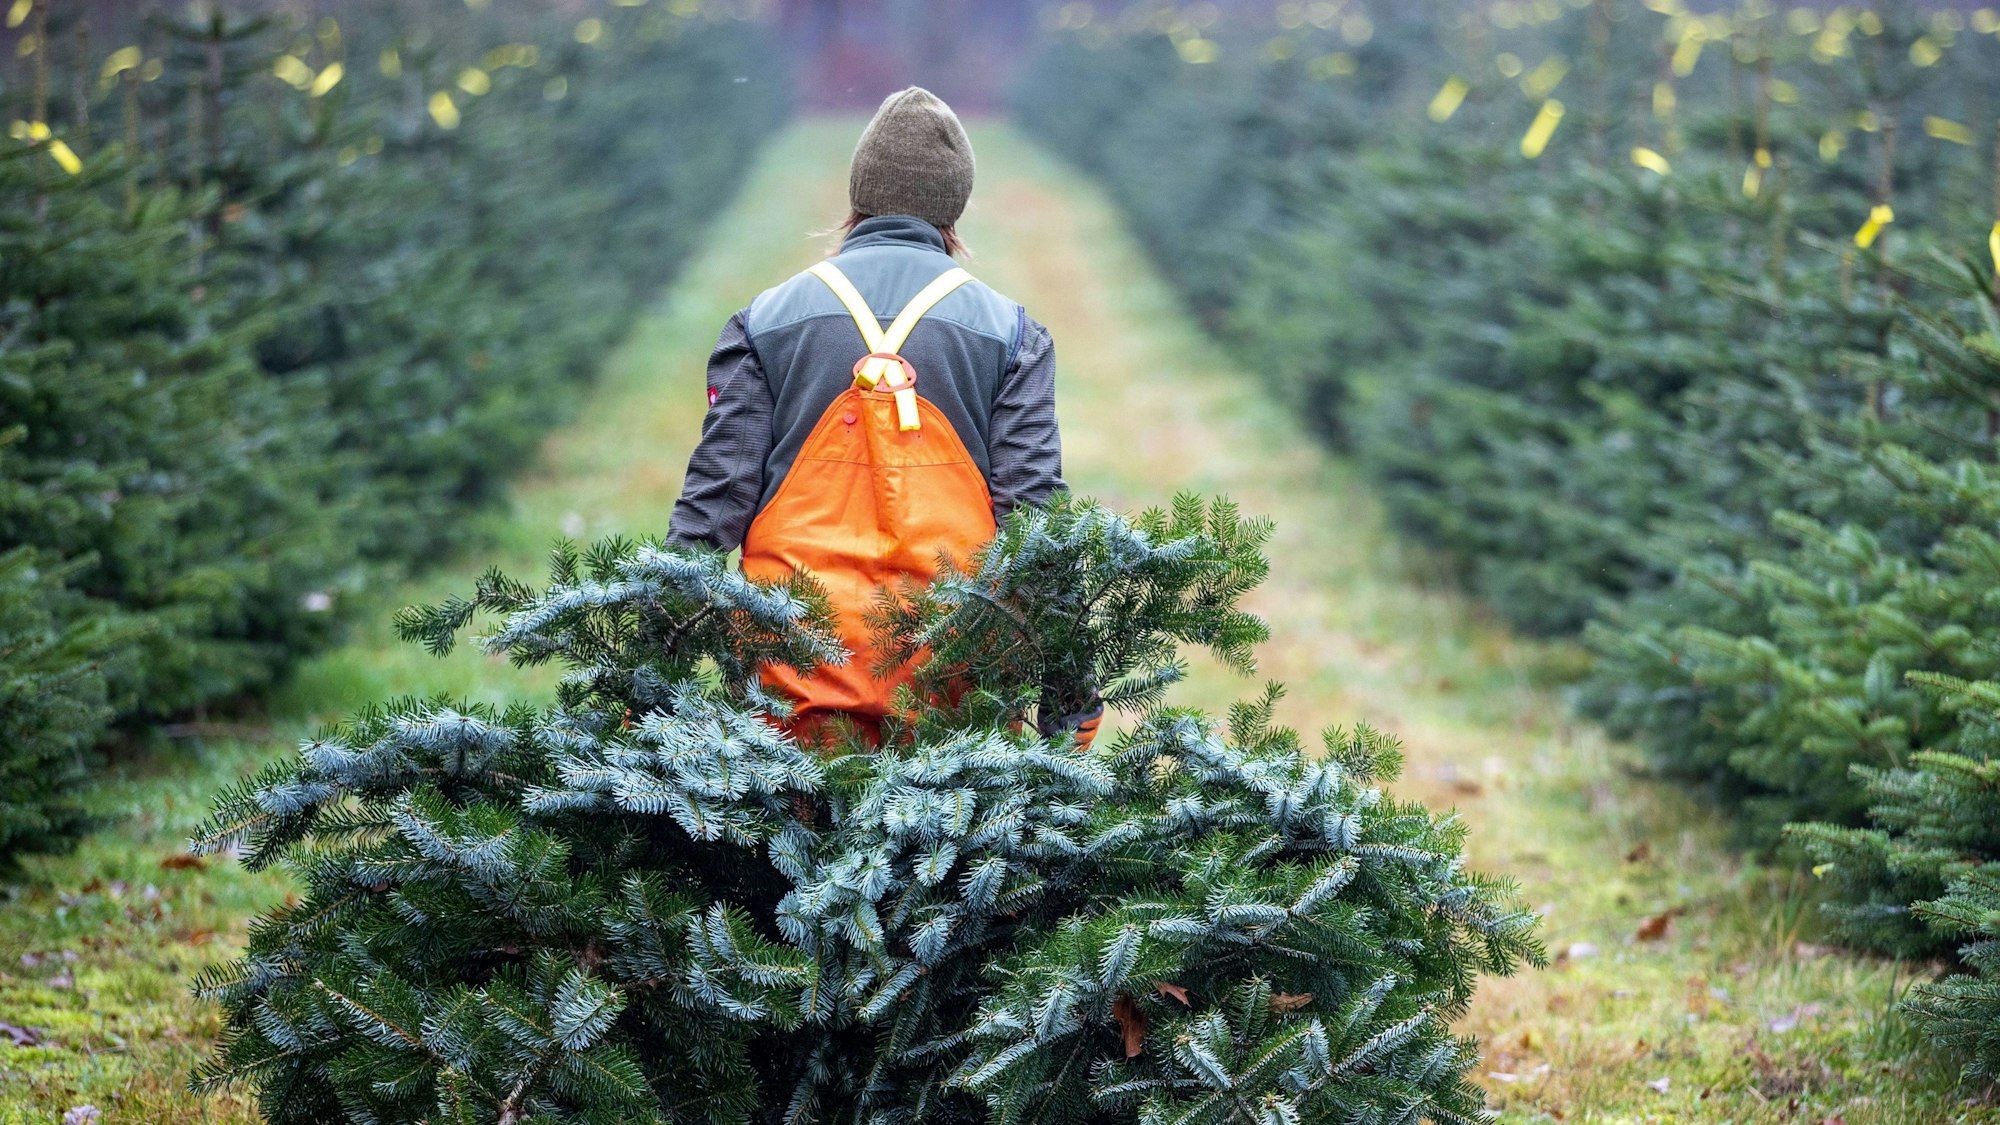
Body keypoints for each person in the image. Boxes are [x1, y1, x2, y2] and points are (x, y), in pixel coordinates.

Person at [668, 87, 1091, 747]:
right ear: (954, 209)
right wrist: (1070, 693)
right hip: (956, 700)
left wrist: (639, 674)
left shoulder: (765, 322)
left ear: (856, 198)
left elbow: (710, 511)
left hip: (791, 693)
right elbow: (1036, 522)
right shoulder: (1013, 336)